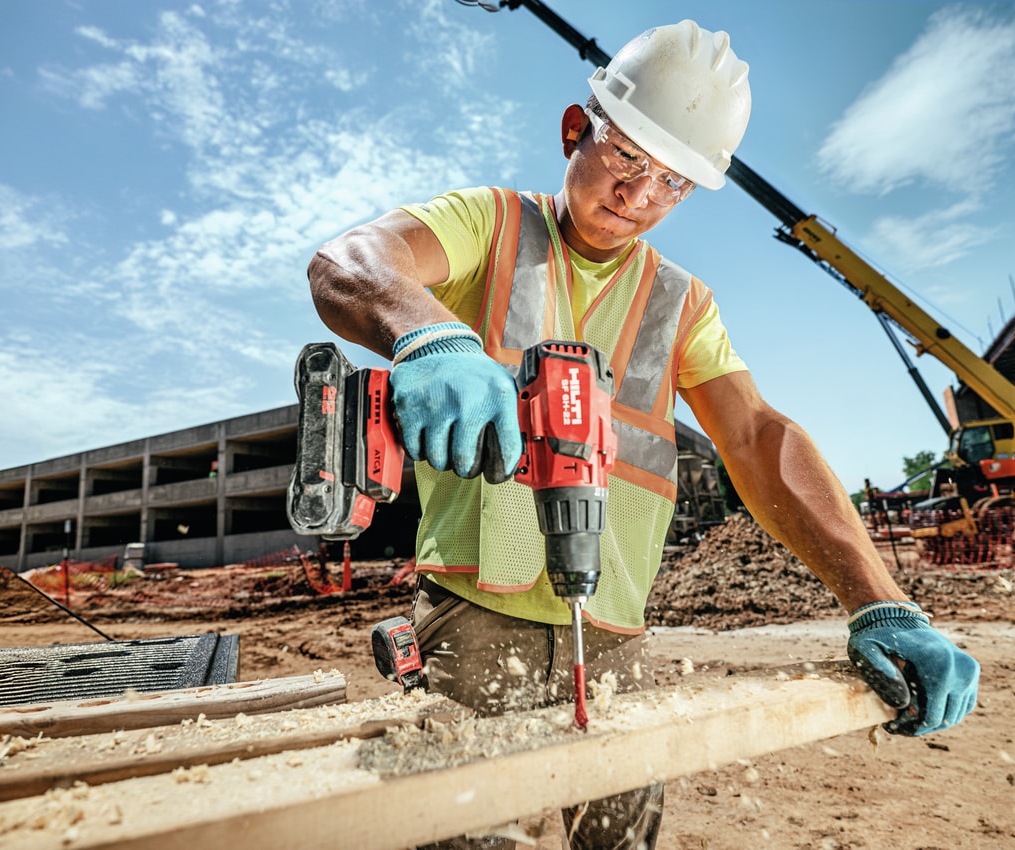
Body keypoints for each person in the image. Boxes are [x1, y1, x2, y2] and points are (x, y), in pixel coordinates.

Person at [307, 20, 979, 849]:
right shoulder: (493, 226)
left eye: (671, 182)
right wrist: (429, 334)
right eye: (626, 156)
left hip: (616, 639)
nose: (638, 195)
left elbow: (756, 437)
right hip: (471, 625)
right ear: (574, 130)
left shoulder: (680, 303)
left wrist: (879, 598)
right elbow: (349, 260)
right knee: (465, 836)